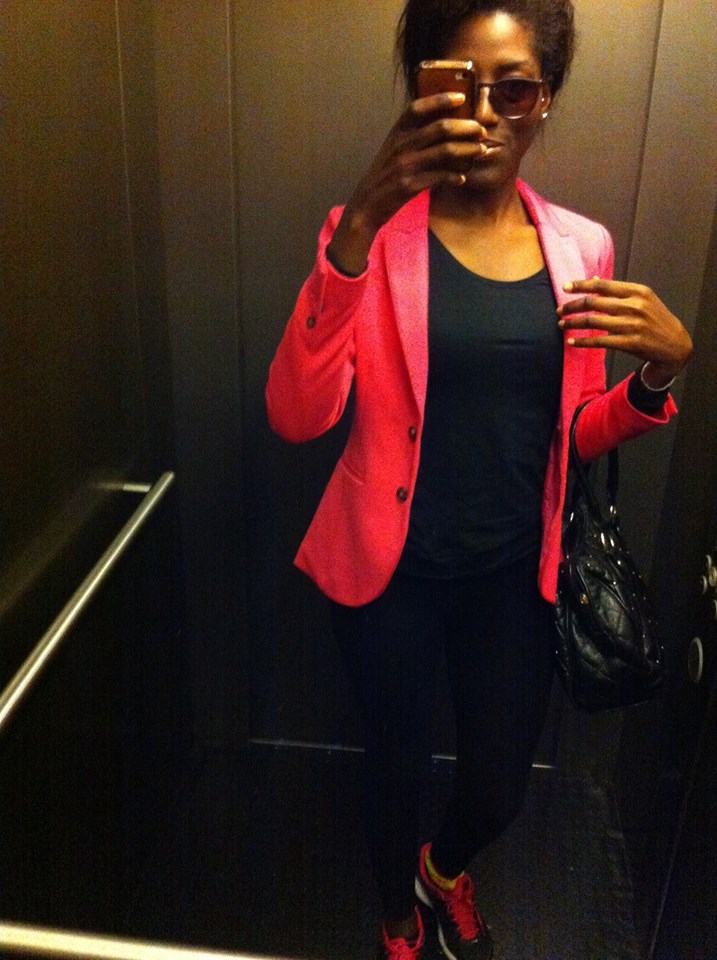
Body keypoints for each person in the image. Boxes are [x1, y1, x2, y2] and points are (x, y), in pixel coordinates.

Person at [266, 1, 693, 957]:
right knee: (393, 771)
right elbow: (295, 416)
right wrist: (358, 223)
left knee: (498, 784)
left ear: (546, 99)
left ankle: (440, 874)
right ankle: (396, 926)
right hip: (389, 576)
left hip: (511, 575)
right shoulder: (367, 236)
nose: (490, 113)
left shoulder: (580, 249)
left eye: (515, 89)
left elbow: (574, 432)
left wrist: (655, 380)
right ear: (423, 92)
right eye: (462, 87)